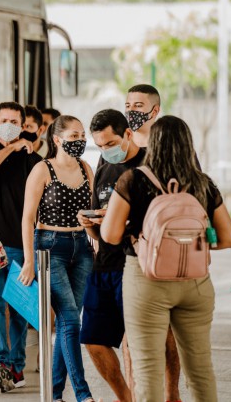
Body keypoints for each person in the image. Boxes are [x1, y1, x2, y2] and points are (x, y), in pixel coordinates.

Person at [101, 116, 231, 402]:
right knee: (200, 371)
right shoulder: (203, 183)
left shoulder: (133, 179)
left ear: (153, 144)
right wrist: (188, 246)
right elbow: (228, 239)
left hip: (145, 278)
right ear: (189, 145)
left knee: (147, 369)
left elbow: (110, 235)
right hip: (196, 283)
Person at [19, 115, 97, 402]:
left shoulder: (86, 168)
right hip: (50, 247)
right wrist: (29, 260)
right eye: (73, 136)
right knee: (69, 321)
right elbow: (27, 219)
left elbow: (93, 212)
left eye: (82, 135)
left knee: (70, 320)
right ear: (57, 139)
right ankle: (82, 394)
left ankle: (53, 394)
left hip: (82, 246)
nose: (79, 141)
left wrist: (96, 240)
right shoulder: (42, 170)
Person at [75, 109, 143, 402]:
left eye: (110, 144)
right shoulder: (104, 165)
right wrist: (90, 224)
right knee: (91, 339)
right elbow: (99, 235)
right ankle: (124, 397)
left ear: (127, 134)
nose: (105, 151)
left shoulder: (148, 164)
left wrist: (121, 223)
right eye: (99, 146)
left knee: (135, 343)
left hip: (137, 265)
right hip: (104, 265)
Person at [124, 84, 183, 400]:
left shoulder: (172, 148)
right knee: (129, 335)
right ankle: (136, 394)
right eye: (128, 103)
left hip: (165, 253)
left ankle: (171, 393)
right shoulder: (122, 146)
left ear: (155, 110)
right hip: (126, 253)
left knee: (167, 335)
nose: (132, 109)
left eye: (139, 104)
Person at [0, 102, 40, 392]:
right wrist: (9, 149)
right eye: (4, 120)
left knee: (18, 307)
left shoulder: (33, 160)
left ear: (24, 125)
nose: (9, 125)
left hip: (19, 243)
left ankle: (16, 367)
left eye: (15, 121)